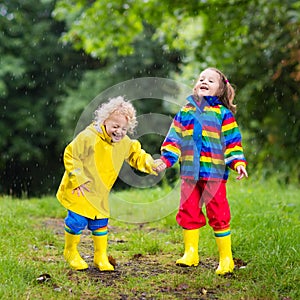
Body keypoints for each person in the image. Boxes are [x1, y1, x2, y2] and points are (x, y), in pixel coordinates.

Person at [155, 67, 248, 275]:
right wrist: (166, 160)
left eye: (211, 80)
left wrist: (238, 163)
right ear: (196, 86)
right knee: (188, 210)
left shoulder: (224, 115)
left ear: (220, 91)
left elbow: (233, 143)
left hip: (214, 175)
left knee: (219, 213)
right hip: (189, 173)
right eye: (201, 79)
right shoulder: (185, 112)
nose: (204, 81)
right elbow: (173, 140)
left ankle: (226, 258)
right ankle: (191, 252)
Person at [56, 96, 159, 272]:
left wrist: (151, 164)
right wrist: (78, 179)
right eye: (115, 126)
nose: (119, 131)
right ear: (104, 121)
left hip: (100, 192)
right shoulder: (88, 137)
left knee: (100, 223)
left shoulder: (124, 142)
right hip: (80, 188)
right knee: (77, 221)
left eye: (124, 128)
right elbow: (71, 155)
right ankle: (70, 251)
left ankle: (100, 256)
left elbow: (137, 155)